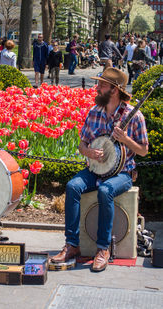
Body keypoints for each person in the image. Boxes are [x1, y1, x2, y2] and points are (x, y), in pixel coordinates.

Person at [50, 67, 148, 272]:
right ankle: (72, 245)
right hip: (95, 169)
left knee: (105, 191)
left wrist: (125, 140)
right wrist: (89, 153)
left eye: (102, 85)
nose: (97, 88)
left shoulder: (133, 116)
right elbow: (82, 145)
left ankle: (103, 249)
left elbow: (143, 151)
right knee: (72, 186)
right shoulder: (94, 112)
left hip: (123, 173)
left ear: (114, 90)